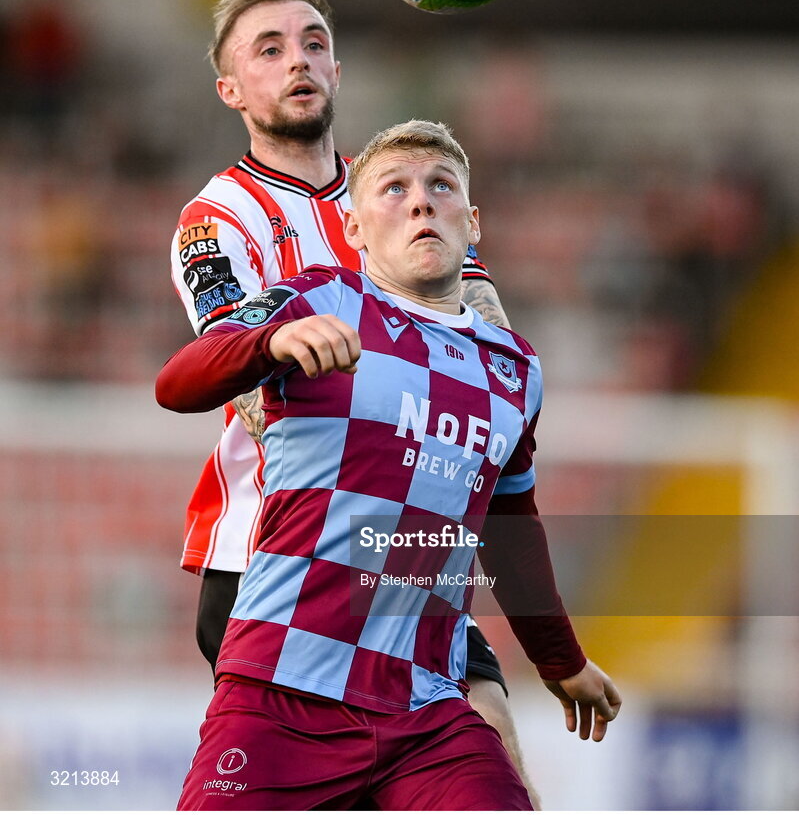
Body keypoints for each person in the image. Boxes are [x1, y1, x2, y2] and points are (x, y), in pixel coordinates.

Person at [157, 120, 621, 810]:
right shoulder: (319, 299)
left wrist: (561, 662)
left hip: (425, 711)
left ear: (474, 221)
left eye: (441, 186)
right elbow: (178, 383)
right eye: (393, 188)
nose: (420, 202)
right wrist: (267, 342)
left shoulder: (512, 367)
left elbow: (511, 528)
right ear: (353, 228)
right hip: (282, 696)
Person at [170, 0, 531, 789]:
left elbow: (489, 340)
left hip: (405, 555)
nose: (297, 61)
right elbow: (233, 367)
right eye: (269, 50)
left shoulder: (401, 190)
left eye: (313, 43)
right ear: (231, 89)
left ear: (338, 69)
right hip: (274, 559)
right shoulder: (218, 219)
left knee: (495, 751)